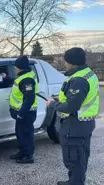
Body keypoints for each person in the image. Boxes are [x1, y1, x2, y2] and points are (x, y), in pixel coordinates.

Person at [46, 47, 99, 185]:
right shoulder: (88, 74)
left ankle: (76, 182)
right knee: (81, 156)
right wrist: (61, 99)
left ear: (70, 61)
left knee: (73, 158)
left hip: (74, 124)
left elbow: (71, 107)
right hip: (84, 123)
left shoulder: (78, 80)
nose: (65, 63)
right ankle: (76, 181)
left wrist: (52, 104)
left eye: (66, 60)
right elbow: (79, 99)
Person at [9, 55, 38, 164]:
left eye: (16, 66)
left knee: (26, 134)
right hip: (22, 113)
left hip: (26, 113)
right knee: (20, 133)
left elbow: (29, 98)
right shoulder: (23, 76)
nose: (15, 68)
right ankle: (22, 152)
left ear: (20, 67)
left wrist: (21, 113)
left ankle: (29, 156)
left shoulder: (27, 80)